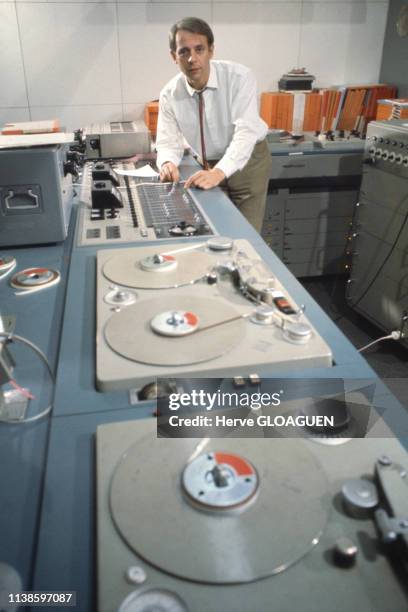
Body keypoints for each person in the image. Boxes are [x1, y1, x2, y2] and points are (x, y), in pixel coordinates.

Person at [156, 17, 271, 232]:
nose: (192, 59)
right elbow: (167, 141)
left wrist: (220, 172)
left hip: (248, 162)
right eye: (184, 51)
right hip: (207, 164)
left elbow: (246, 133)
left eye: (199, 49)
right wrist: (167, 162)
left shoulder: (240, 77)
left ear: (211, 50)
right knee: (214, 230)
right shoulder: (169, 94)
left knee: (246, 235)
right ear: (174, 56)